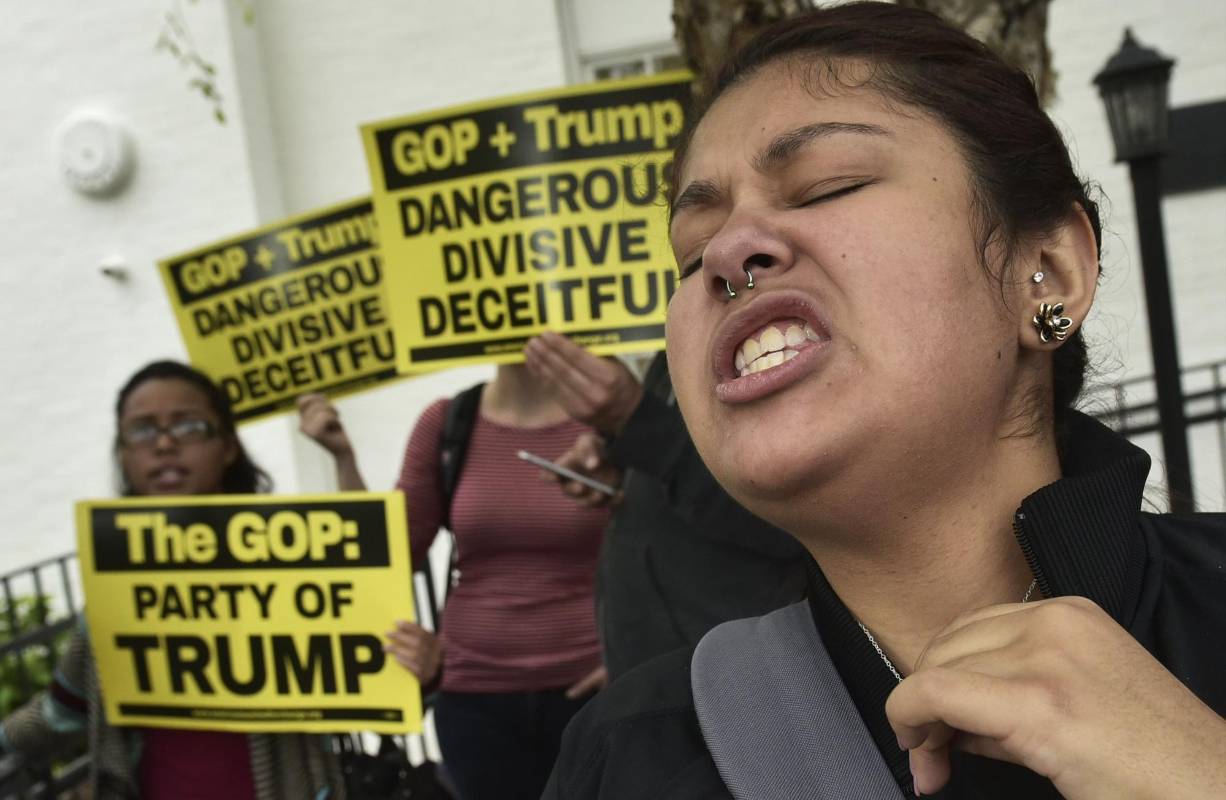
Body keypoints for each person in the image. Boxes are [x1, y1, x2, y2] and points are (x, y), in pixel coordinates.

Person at [544, 4, 1226, 799]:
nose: (728, 253)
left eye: (828, 186)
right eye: (692, 253)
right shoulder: (629, 758)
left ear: (1048, 272)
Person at [0, 360, 345, 799]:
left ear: (228, 447)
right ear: (123, 455)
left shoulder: (288, 556)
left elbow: (370, 660)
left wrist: (342, 459)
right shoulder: (116, 583)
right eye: (142, 431)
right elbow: (62, 710)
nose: (163, 444)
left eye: (188, 427)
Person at [298, 363, 609, 800]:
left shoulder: (609, 419)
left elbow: (666, 544)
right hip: (474, 702)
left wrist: (636, 652)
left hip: (598, 696)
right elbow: (388, 555)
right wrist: (342, 458)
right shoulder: (448, 422)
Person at [524, 336, 808, 679]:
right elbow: (684, 478)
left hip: (737, 685)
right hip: (663, 677)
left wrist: (636, 419)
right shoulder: (678, 347)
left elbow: (792, 518)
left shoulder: (769, 347)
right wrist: (622, 471)